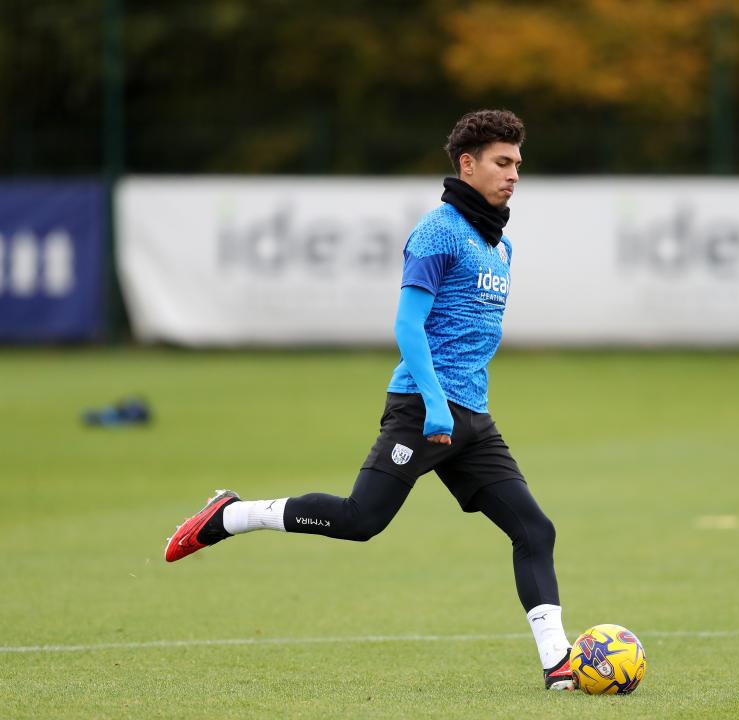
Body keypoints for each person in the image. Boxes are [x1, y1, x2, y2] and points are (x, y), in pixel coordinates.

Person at [164, 109, 575, 691]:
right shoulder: (439, 229)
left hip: (473, 421)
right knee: (361, 522)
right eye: (502, 163)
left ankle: (559, 665)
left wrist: (459, 408)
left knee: (536, 530)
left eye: (517, 164)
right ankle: (232, 515)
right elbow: (408, 325)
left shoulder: (500, 245)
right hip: (423, 410)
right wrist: (433, 401)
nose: (513, 175)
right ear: (467, 163)